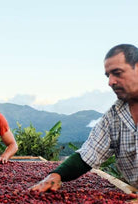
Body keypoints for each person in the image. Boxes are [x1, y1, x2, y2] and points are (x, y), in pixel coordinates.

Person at [30, 43, 138, 192]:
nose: (110, 82)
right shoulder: (114, 116)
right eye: (108, 75)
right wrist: (56, 175)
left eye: (117, 73)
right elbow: (89, 153)